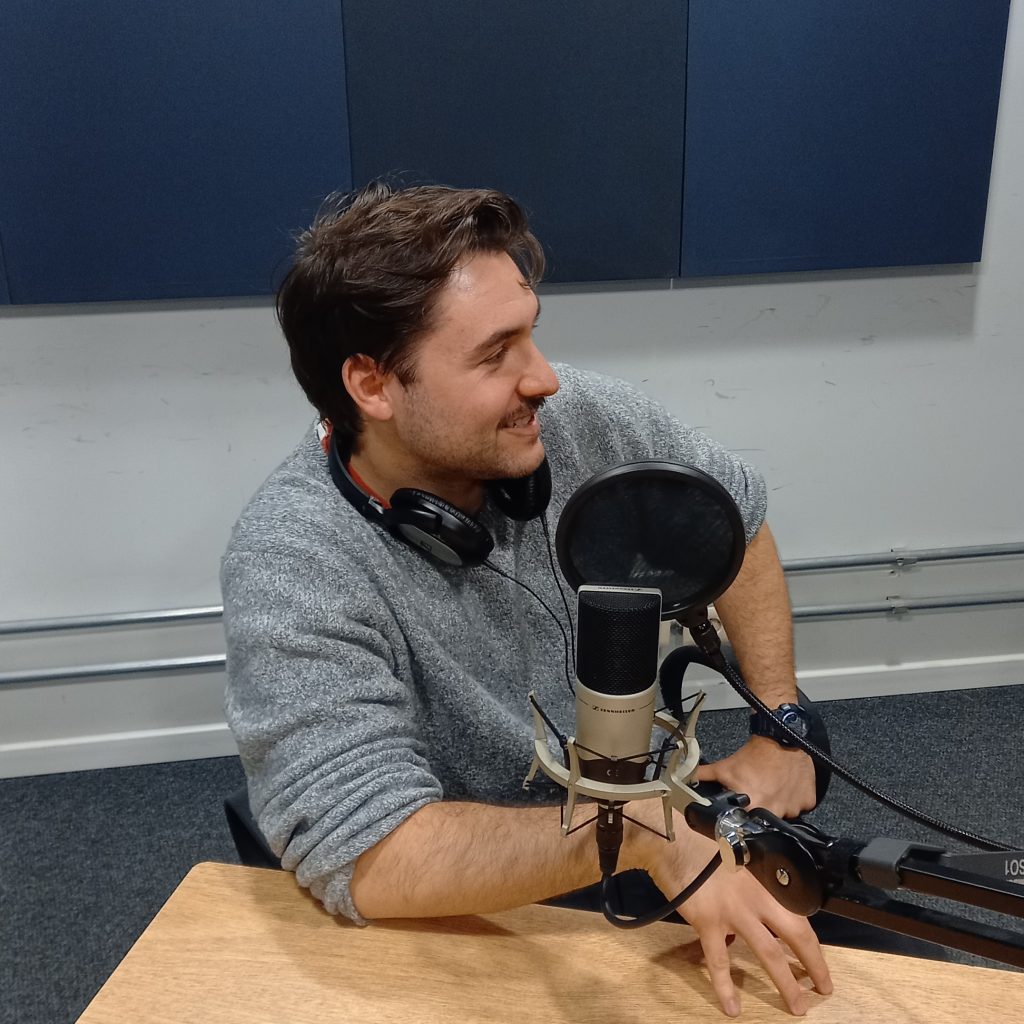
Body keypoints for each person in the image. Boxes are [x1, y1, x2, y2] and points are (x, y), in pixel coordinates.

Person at [221, 182, 833, 1017]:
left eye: (531, 333)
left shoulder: (570, 419)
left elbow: (738, 520)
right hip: (469, 908)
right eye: (494, 354)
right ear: (372, 384)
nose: (542, 377)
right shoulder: (293, 559)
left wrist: (781, 723)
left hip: (653, 836)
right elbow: (371, 855)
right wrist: (637, 834)